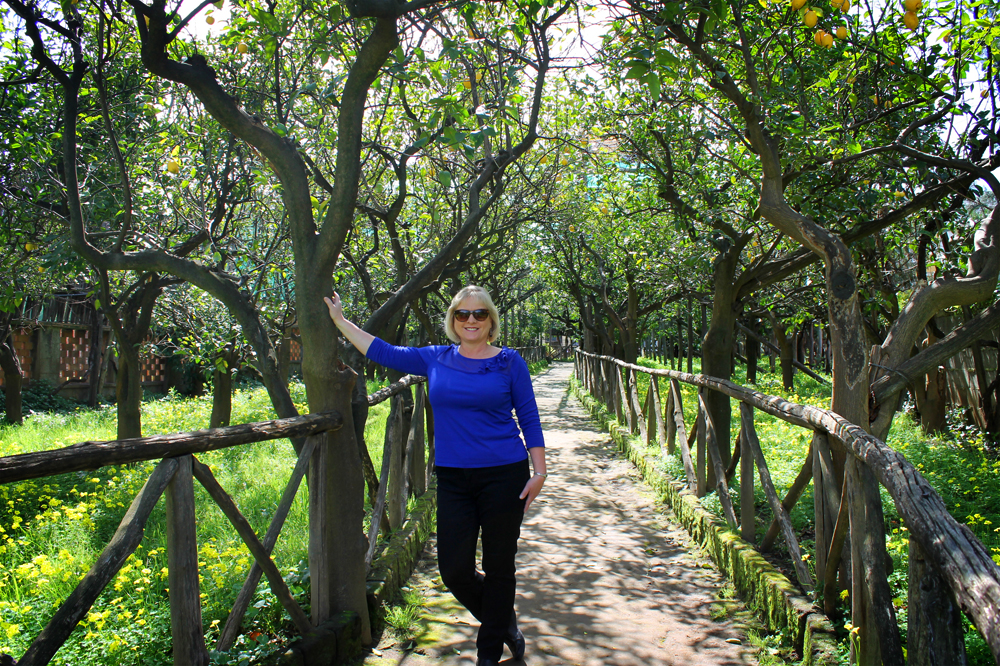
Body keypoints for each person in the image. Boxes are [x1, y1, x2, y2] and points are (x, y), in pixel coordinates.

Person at [324, 285, 546, 666]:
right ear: (453, 320)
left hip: (505, 474)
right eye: (463, 314)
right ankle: (502, 621)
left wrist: (539, 470)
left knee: (499, 564)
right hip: (455, 479)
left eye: (479, 314)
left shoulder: (510, 363)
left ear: (491, 320)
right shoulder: (435, 359)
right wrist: (341, 321)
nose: (471, 321)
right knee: (454, 569)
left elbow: (528, 416)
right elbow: (382, 350)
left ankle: (488, 653)